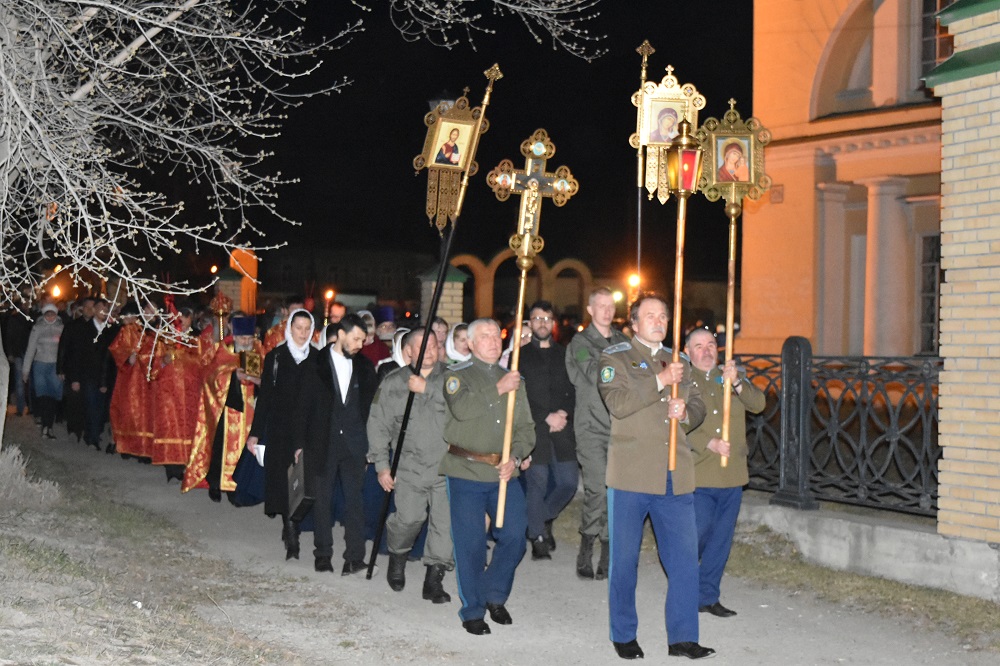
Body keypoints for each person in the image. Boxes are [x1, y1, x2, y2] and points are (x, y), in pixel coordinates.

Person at [598, 293, 714, 661]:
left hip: (674, 473)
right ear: (633, 323)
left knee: (682, 561)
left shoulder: (679, 359)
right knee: (625, 560)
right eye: (650, 316)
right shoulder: (615, 357)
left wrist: (687, 411)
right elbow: (617, 404)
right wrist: (661, 381)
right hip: (632, 474)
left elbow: (699, 405)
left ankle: (682, 638)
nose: (659, 321)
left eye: (663, 316)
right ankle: (623, 634)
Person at [441, 318, 535, 635]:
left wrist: (516, 456)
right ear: (469, 342)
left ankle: (494, 593)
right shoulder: (456, 376)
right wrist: (498, 389)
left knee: (514, 536)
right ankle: (472, 609)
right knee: (471, 545)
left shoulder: (512, 379)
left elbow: (525, 429)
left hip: (502, 472)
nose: (494, 341)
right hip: (465, 470)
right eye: (485, 336)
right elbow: (463, 410)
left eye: (497, 335)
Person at [684, 328, 765, 619]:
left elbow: (759, 404)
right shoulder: (683, 380)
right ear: (688, 351)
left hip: (732, 475)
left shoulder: (729, 376)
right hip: (701, 471)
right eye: (698, 346)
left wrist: (739, 384)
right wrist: (708, 442)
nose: (705, 351)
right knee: (697, 535)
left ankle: (708, 596)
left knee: (721, 540)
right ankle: (685, 590)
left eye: (710, 345)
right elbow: (675, 424)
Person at [368, 327, 453, 602]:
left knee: (444, 524)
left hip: (447, 466)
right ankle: (397, 556)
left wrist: (427, 389)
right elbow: (378, 424)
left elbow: (462, 405)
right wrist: (382, 465)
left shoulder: (453, 379)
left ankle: (434, 579)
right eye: (422, 346)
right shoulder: (393, 382)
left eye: (433, 345)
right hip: (409, 466)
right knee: (408, 519)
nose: (429, 350)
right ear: (409, 352)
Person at [295, 314, 377, 575]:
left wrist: (371, 447)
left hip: (354, 444)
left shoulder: (365, 367)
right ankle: (323, 554)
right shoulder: (314, 364)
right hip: (322, 442)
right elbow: (302, 406)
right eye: (355, 339)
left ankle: (354, 557)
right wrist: (298, 443)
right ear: (340, 334)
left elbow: (371, 410)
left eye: (363, 340)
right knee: (322, 500)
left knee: (355, 502)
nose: (360, 345)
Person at [565, 286, 629, 579]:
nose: (606, 310)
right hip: (591, 427)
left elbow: (641, 369)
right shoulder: (580, 342)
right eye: (600, 306)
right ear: (590, 309)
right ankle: (586, 544)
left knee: (614, 489)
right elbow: (595, 373)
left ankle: (607, 548)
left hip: (619, 426)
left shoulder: (622, 340)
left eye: (610, 305)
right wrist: (624, 366)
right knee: (596, 488)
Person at [247, 309, 319, 560]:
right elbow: (265, 397)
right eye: (298, 327)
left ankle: (293, 526)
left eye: (307, 328)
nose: (303, 333)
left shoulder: (317, 359)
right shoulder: (276, 357)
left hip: (308, 430)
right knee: (283, 481)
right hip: (280, 429)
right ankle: (291, 533)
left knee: (301, 481)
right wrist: (255, 434)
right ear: (290, 328)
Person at [519, 301, 578, 560]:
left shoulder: (565, 354)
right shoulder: (520, 357)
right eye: (537, 318)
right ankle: (538, 538)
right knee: (538, 483)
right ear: (530, 323)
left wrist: (563, 412)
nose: (542, 323)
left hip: (562, 428)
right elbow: (519, 397)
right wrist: (545, 417)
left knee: (568, 483)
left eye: (547, 318)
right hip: (535, 430)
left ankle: (539, 519)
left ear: (553, 323)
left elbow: (573, 388)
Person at [182, 315, 263, 502]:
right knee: (220, 448)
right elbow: (211, 375)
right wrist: (234, 375)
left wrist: (256, 380)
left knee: (247, 448)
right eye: (243, 338)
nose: (247, 342)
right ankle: (216, 484)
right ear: (234, 336)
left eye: (250, 338)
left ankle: (240, 485)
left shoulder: (259, 352)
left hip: (251, 409)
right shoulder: (222, 351)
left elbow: (266, 377)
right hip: (227, 410)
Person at [151, 305, 211, 479]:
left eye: (186, 318)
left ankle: (187, 465)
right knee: (170, 428)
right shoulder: (164, 338)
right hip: (168, 393)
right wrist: (163, 362)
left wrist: (185, 358)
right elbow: (151, 364)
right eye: (179, 318)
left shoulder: (196, 339)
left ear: (191, 319)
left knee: (189, 429)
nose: (183, 322)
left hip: (190, 392)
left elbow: (205, 362)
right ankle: (172, 468)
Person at [61, 298, 118, 452]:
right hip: (88, 375)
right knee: (92, 406)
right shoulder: (84, 329)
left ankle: (93, 433)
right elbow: (76, 355)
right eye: (100, 308)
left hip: (105, 376)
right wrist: (75, 378)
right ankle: (91, 438)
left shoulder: (109, 329)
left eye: (105, 309)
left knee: (100, 408)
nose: (103, 312)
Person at [108, 303, 154, 460]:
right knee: (129, 412)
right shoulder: (127, 330)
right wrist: (128, 357)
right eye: (147, 310)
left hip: (149, 379)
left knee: (148, 414)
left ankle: (146, 450)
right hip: (130, 378)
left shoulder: (155, 332)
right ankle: (127, 447)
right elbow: (116, 348)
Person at [22, 303, 64, 439]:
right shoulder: (37, 328)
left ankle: (49, 426)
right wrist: (25, 370)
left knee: (53, 396)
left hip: (55, 366)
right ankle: (46, 426)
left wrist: (64, 369)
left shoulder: (61, 328)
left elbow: (65, 350)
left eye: (53, 314)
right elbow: (30, 349)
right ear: (44, 315)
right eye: (48, 314)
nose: (51, 317)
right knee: (43, 395)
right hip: (40, 364)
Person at [3, 308, 32, 417]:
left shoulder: (30, 318)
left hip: (25, 351)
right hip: (19, 352)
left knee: (25, 381)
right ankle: (22, 406)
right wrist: (11, 352)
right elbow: (10, 336)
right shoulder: (15, 319)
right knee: (21, 381)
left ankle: (26, 406)